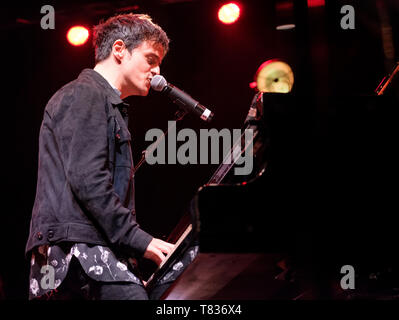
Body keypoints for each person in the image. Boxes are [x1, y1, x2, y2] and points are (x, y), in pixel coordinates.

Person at [25, 13, 175, 300]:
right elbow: (89, 180)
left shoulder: (105, 103)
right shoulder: (85, 93)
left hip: (91, 247)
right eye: (151, 59)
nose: (157, 72)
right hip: (76, 252)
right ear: (119, 50)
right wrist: (140, 241)